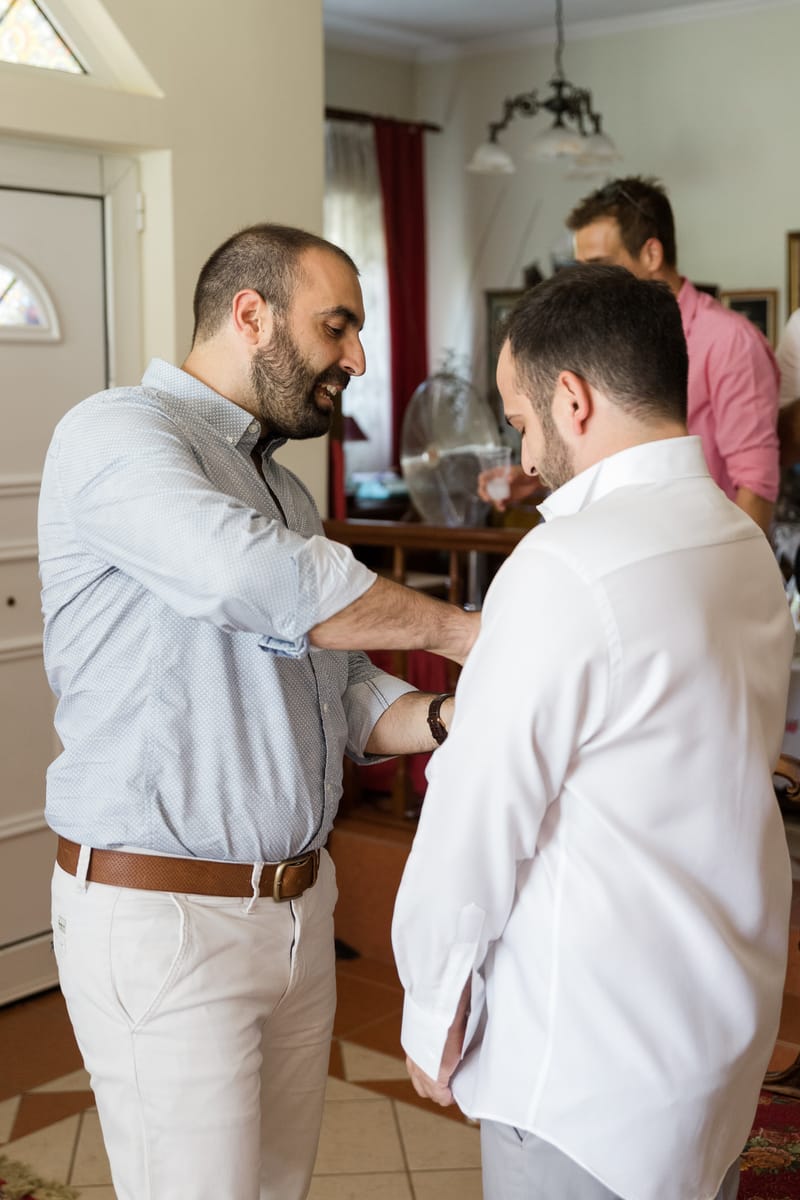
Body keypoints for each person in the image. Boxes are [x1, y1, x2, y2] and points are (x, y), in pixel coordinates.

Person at [38, 223, 478, 1200]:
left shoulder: (284, 492)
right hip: (167, 921)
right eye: (337, 326)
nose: (356, 359)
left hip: (296, 912)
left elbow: (346, 696)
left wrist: (458, 716)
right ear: (251, 314)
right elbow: (253, 578)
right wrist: (462, 632)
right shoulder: (115, 433)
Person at [393, 264, 794, 1200]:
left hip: (587, 1069)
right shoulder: (741, 544)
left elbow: (476, 818)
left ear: (571, 399)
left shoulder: (566, 563)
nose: (525, 455)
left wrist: (431, 1007)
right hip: (715, 1036)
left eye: (521, 421)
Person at [480, 176, 780, 535]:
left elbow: (756, 487)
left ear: (651, 254)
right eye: (580, 266)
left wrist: (719, 567)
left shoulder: (729, 341)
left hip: (688, 549)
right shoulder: (598, 339)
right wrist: (538, 475)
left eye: (600, 263)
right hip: (610, 541)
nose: (586, 279)